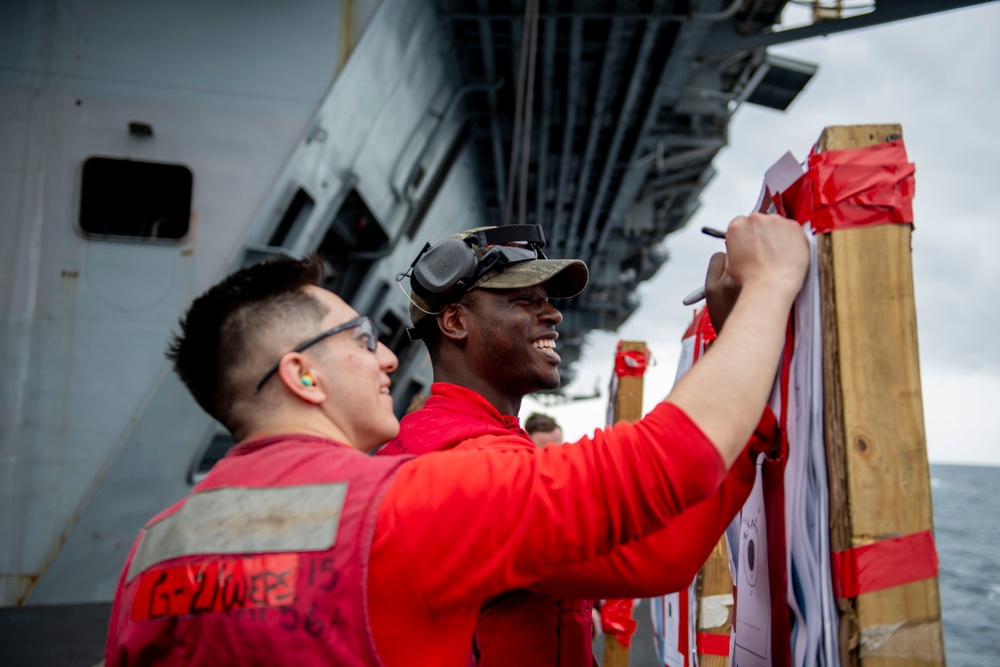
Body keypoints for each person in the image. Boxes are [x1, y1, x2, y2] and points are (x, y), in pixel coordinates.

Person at [105, 212, 808, 666]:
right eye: (360, 339)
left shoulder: (154, 549)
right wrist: (770, 286)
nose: (386, 358)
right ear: (301, 375)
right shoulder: (410, 500)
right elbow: (658, 476)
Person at [382, 218, 790, 666]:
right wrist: (764, 297)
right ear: (456, 321)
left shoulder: (444, 439)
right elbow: (656, 550)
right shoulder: (462, 461)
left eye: (546, 300)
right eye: (523, 300)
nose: (553, 313)